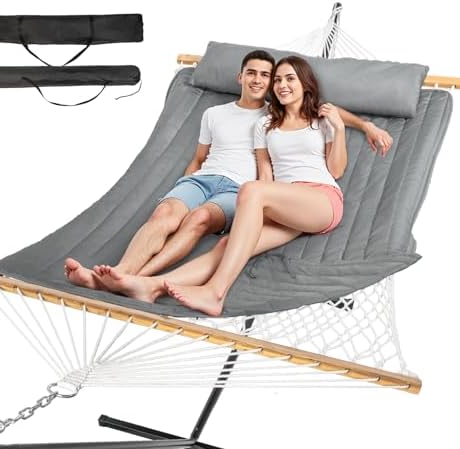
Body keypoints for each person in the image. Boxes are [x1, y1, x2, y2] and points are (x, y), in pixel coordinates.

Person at [65, 51, 391, 292]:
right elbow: (220, 162)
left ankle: (153, 282)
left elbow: (329, 127)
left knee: (210, 213)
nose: (268, 82)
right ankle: (131, 278)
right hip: (237, 189)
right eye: (262, 76)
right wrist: (190, 186)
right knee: (189, 227)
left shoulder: (299, 117)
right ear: (241, 77)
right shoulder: (242, 119)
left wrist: (363, 125)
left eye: (275, 77)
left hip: (272, 193)